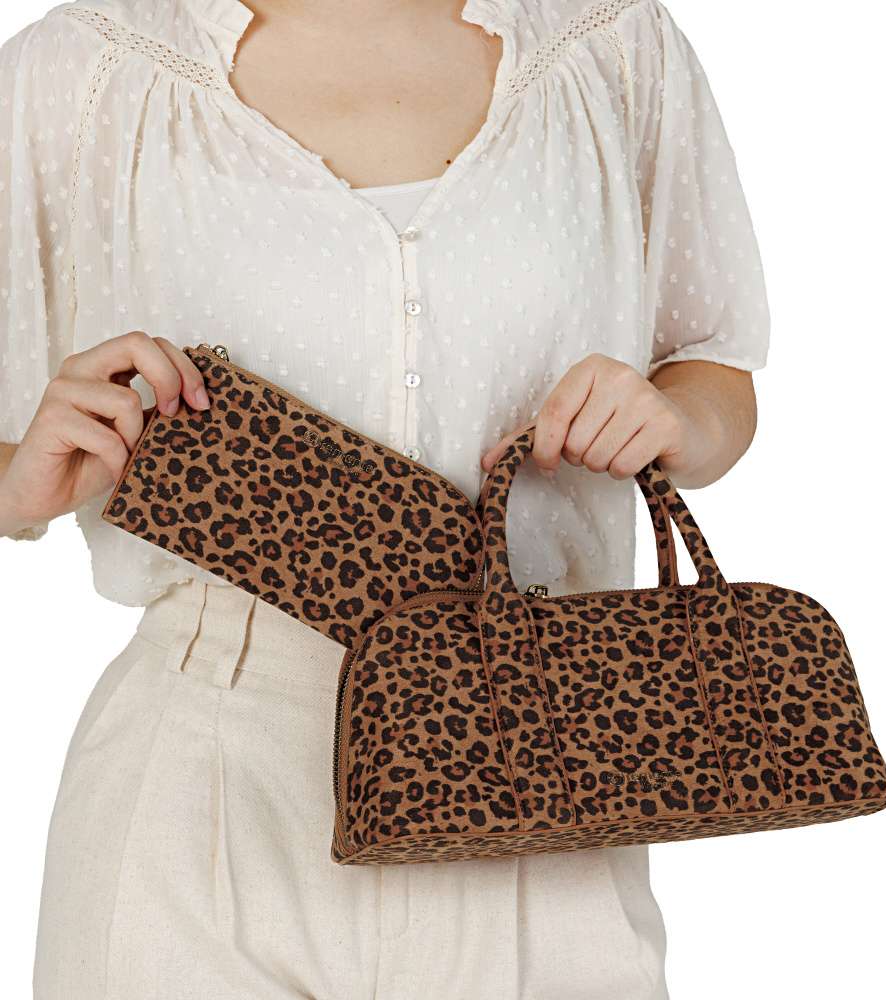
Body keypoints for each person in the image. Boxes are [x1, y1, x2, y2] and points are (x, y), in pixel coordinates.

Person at [0, 0, 769, 997]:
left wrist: (675, 422)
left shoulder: (610, 45)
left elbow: (712, 360)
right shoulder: (86, 66)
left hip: (548, 769)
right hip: (208, 783)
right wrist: (18, 484)